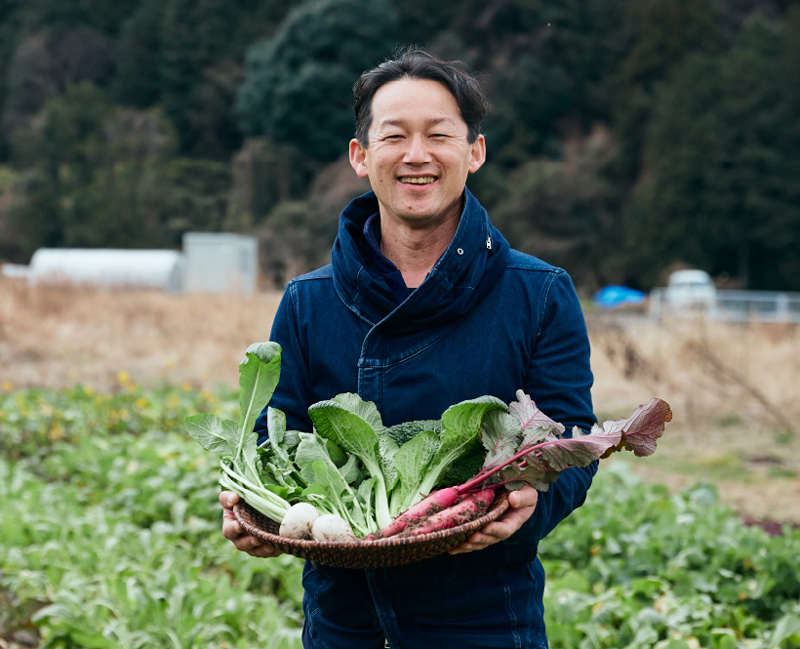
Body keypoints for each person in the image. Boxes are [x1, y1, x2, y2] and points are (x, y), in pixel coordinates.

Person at [220, 49, 596, 649]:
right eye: (394, 136)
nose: (416, 155)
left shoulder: (539, 293)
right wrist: (256, 511)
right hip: (344, 621)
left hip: (487, 616)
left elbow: (572, 439)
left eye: (438, 135)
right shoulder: (308, 300)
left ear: (474, 152)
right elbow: (276, 438)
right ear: (360, 156)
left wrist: (527, 505)